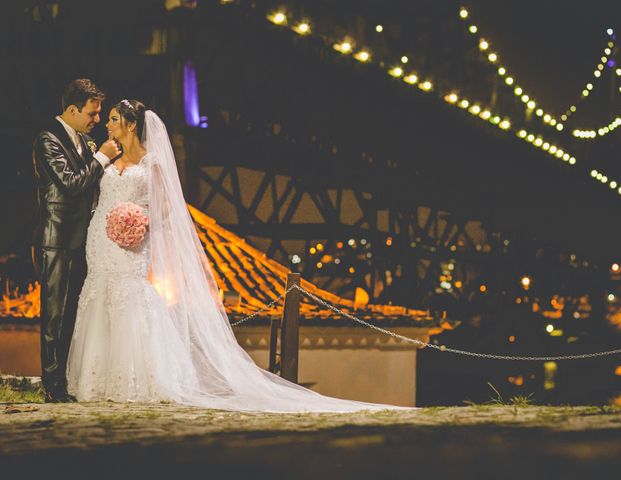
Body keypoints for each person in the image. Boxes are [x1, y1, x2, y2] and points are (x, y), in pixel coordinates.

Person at [66, 99, 408, 412]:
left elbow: (167, 206)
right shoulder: (105, 158)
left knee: (131, 295)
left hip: (133, 240)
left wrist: (142, 224)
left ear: (129, 123)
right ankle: (96, 379)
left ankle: (136, 378)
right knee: (98, 293)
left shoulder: (152, 161)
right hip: (100, 238)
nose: (107, 124)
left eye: (113, 119)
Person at [32, 79, 121, 402]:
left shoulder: (84, 141)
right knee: (54, 313)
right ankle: (52, 385)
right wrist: (101, 160)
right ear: (72, 109)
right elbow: (70, 183)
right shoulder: (48, 140)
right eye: (92, 113)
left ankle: (65, 381)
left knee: (72, 312)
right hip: (55, 239)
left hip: (82, 239)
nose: (96, 120)